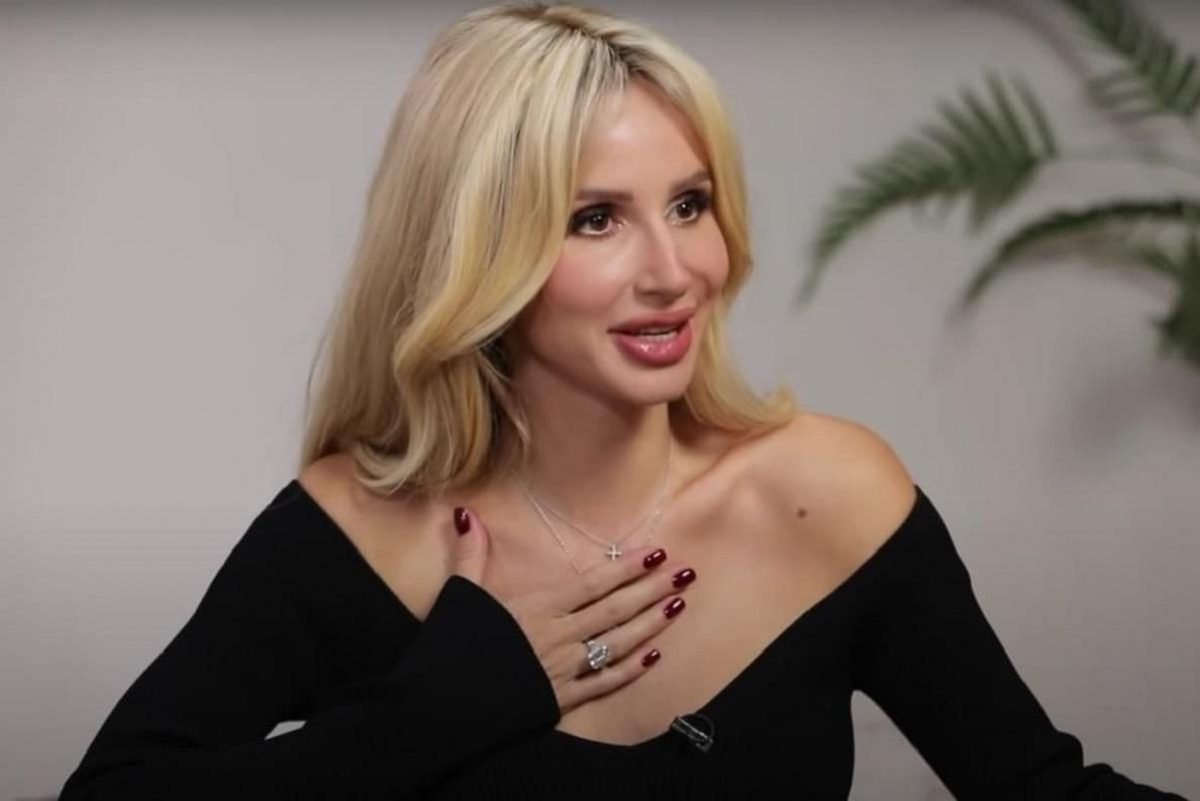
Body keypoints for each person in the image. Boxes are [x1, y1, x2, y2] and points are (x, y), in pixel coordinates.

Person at [60, 3, 1188, 799]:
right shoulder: (355, 530)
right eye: (595, 219)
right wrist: (441, 707)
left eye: (690, 204)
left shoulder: (828, 495)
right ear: (478, 253)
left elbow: (1041, 790)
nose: (674, 269)